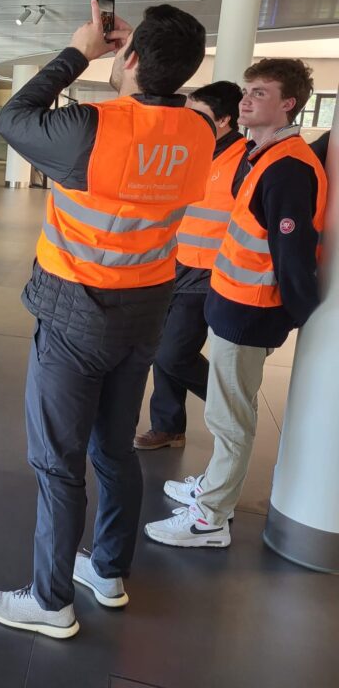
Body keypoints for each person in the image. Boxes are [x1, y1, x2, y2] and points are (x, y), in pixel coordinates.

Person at [0, 1, 215, 639]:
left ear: (130, 57)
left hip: (77, 310)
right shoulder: (198, 133)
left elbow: (14, 118)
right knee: (113, 449)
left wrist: (81, 50)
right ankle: (107, 571)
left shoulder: (94, 128)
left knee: (58, 462)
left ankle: (50, 601)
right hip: (145, 310)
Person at [145, 58, 328, 549]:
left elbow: (292, 256)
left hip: (250, 310)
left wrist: (296, 316)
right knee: (226, 413)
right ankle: (212, 489)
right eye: (247, 90)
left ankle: (211, 519)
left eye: (261, 92)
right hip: (230, 301)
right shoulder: (263, 153)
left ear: (288, 103)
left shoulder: (288, 167)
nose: (246, 99)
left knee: (230, 420)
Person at [135, 81, 249, 450]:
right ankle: (168, 427)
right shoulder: (190, 151)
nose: (189, 121)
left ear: (225, 120)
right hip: (172, 264)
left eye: (198, 115)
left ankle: (229, 409)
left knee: (171, 353)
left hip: (209, 274)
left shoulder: (245, 160)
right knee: (160, 349)